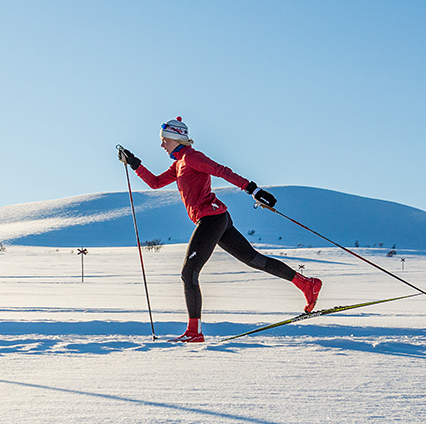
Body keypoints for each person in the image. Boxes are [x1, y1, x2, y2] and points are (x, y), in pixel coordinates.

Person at [118, 117, 323, 343]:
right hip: (217, 218)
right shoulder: (179, 164)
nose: (162, 145)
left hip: (211, 219)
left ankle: (194, 332)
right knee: (253, 259)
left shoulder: (193, 157)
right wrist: (134, 163)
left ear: (176, 138)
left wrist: (252, 190)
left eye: (164, 140)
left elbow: (220, 170)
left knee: (189, 273)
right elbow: (155, 183)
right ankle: (307, 284)